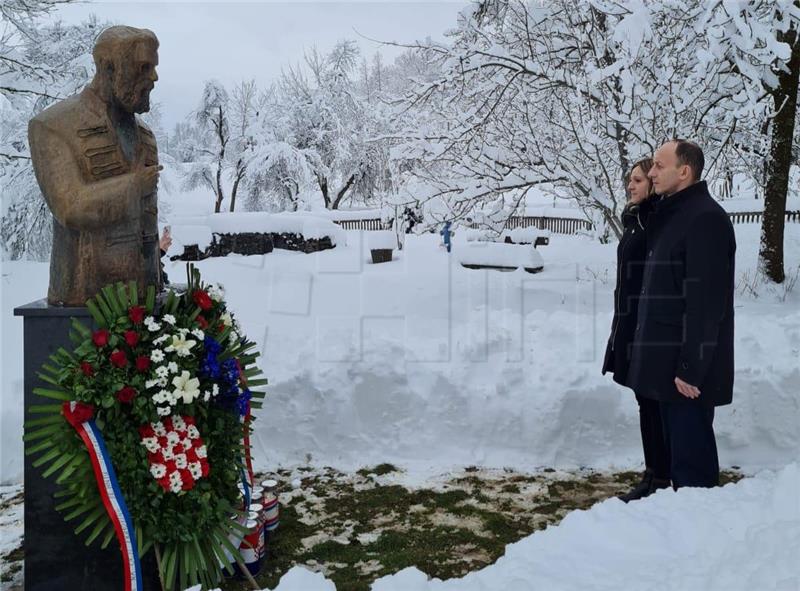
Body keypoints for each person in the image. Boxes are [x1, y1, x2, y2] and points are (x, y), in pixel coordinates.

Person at [627, 139, 736, 490]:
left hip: (685, 375)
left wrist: (690, 366)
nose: (652, 172)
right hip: (665, 366)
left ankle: (702, 540)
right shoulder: (673, 215)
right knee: (676, 471)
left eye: (659, 165)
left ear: (684, 171)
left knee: (693, 480)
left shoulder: (705, 219)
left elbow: (706, 303)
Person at [27, 26, 162, 306]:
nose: (153, 77)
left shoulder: (146, 135)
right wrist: (133, 187)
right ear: (109, 67)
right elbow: (69, 206)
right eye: (144, 67)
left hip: (144, 301)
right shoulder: (54, 125)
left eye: (154, 67)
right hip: (83, 299)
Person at [602, 158, 671, 502]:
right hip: (630, 321)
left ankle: (658, 477)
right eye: (630, 179)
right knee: (644, 399)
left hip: (647, 326)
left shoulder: (654, 221)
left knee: (651, 400)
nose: (631, 185)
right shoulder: (636, 221)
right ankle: (655, 472)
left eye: (639, 179)